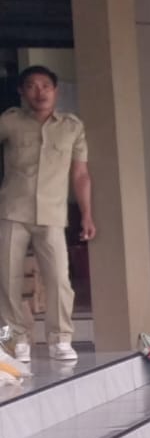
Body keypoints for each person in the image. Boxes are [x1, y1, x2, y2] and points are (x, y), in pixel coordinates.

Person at [0, 66, 94, 363]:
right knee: (7, 279)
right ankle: (15, 341)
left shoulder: (72, 127)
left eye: (45, 86)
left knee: (59, 280)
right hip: (12, 211)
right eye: (31, 86)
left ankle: (60, 339)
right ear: (21, 92)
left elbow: (80, 174)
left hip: (52, 214)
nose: (39, 92)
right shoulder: (10, 122)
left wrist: (87, 214)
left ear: (56, 91)